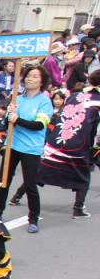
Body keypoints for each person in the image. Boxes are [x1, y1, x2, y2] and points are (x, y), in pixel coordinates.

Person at [0, 65, 53, 233]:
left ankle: (33, 218)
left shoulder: (44, 101)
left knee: (30, 184)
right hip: (13, 144)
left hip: (31, 148)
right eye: (28, 75)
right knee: (4, 181)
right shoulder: (17, 99)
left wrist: (17, 119)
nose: (30, 79)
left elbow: (39, 125)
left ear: (42, 81)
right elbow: (6, 124)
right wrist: (8, 115)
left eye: (35, 76)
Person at [38, 70, 100, 219]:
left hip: (59, 139)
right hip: (80, 143)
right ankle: (78, 208)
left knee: (42, 169)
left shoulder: (74, 95)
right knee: (83, 175)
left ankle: (17, 196)